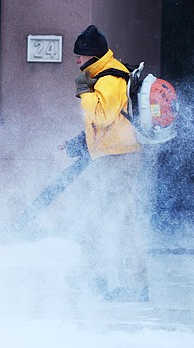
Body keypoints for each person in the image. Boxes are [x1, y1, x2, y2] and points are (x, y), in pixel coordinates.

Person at [59, 25, 149, 302]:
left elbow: (102, 116)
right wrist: (80, 142)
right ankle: (96, 276)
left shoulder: (109, 79)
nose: (76, 60)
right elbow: (108, 123)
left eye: (80, 55)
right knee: (99, 218)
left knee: (118, 221)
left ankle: (133, 286)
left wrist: (83, 89)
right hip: (113, 156)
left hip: (119, 159)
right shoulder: (104, 75)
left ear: (92, 55)